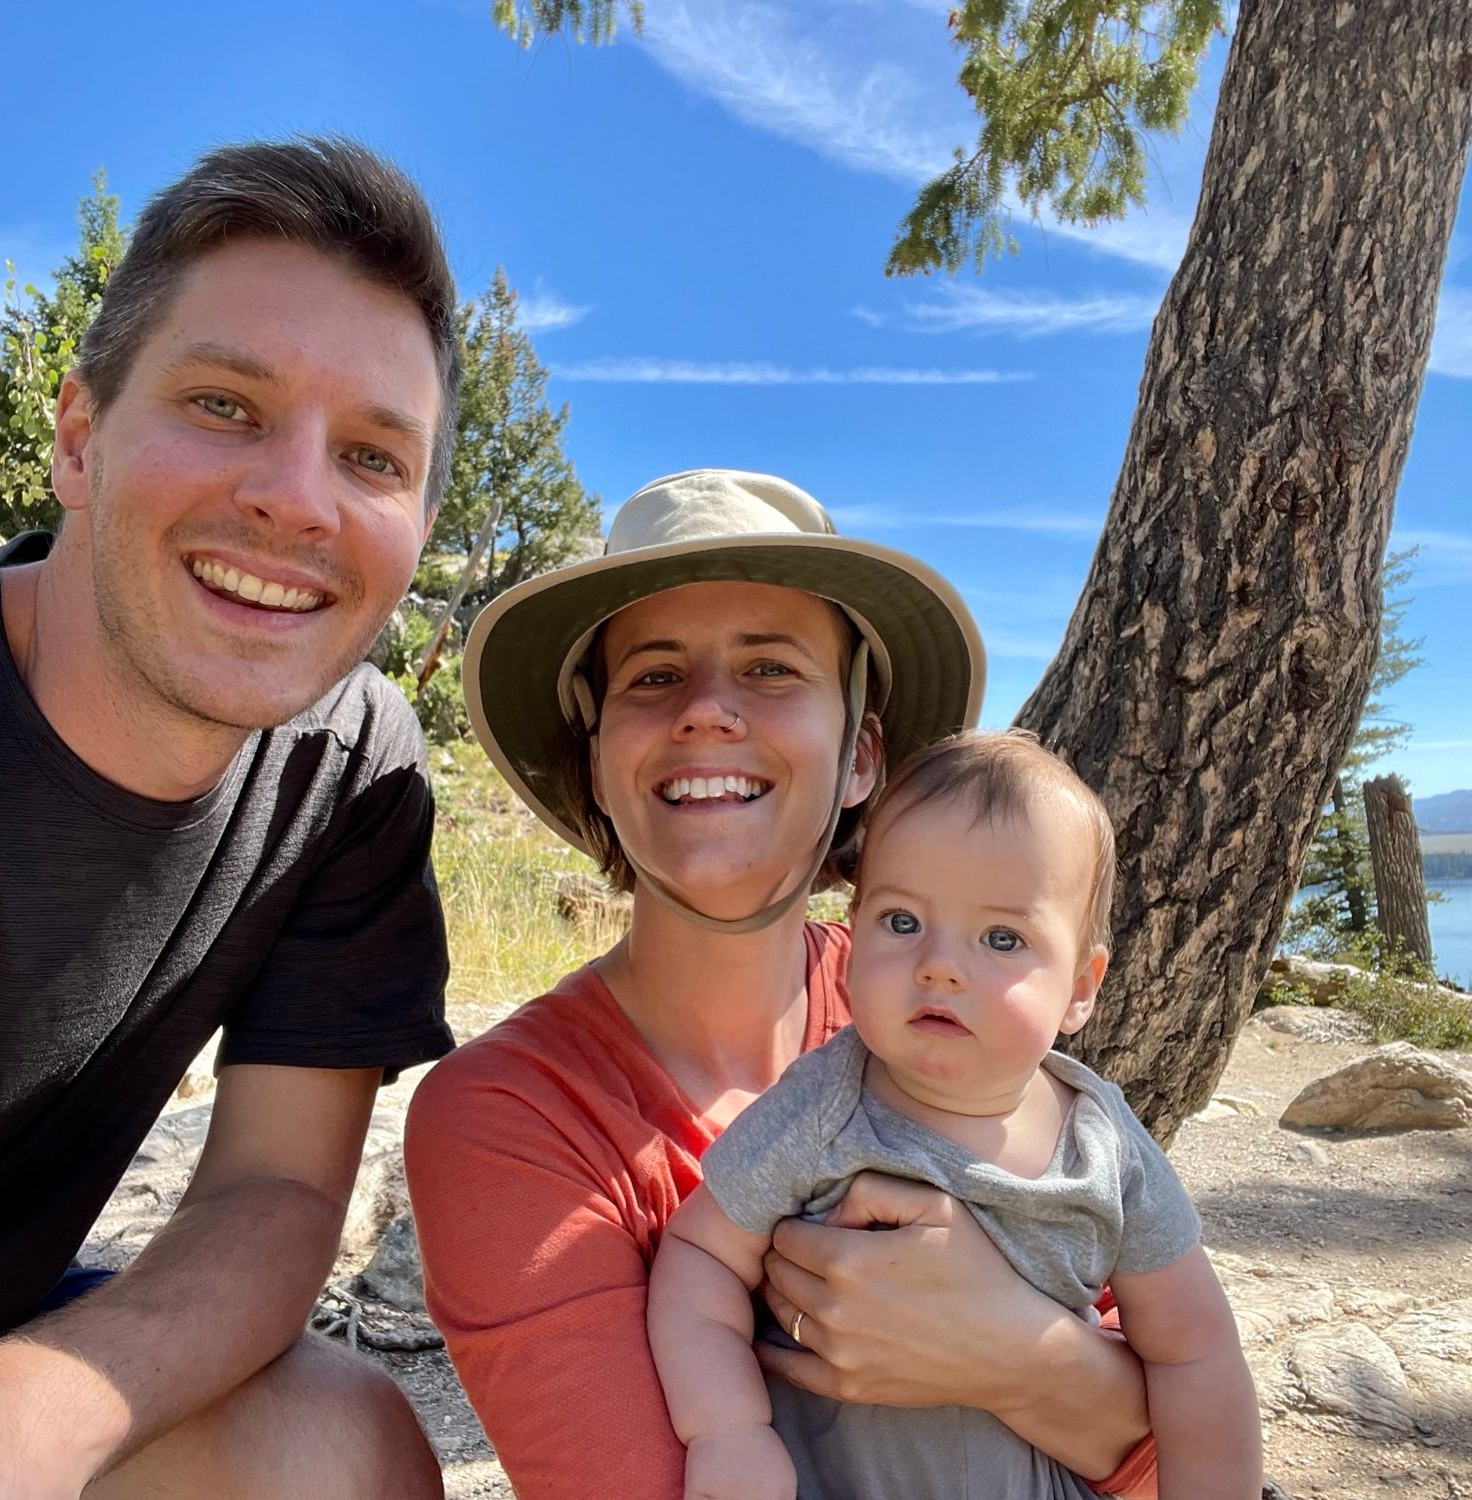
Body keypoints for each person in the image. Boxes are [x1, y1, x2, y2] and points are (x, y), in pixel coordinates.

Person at [0, 138, 458, 1500]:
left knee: (336, 1445)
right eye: (227, 404)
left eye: (370, 454)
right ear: (76, 436)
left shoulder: (349, 777)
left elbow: (275, 1194)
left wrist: (18, 1425)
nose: (297, 497)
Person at [406, 469, 1164, 1500]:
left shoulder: (947, 1014)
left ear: (860, 758)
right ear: (593, 764)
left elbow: (1168, 1457)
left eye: (768, 669)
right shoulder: (508, 1117)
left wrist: (1011, 1355)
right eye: (652, 676)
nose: (709, 712)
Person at [649, 730, 1260, 1500]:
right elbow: (699, 1260)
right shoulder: (824, 1106)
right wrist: (727, 1429)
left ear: (1080, 986)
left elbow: (1197, 1357)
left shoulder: (1103, 1150)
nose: (938, 964)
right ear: (849, 940)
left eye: (1002, 938)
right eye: (901, 922)